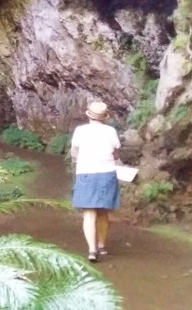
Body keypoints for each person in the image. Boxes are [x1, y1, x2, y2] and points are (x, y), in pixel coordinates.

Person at [70, 101, 121, 262]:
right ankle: (101, 246)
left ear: (89, 115)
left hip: (86, 173)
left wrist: (79, 161)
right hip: (107, 174)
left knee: (89, 213)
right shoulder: (110, 131)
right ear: (105, 117)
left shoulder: (80, 131)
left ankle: (92, 251)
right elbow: (116, 153)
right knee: (103, 212)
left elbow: (74, 152)